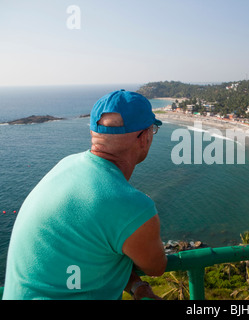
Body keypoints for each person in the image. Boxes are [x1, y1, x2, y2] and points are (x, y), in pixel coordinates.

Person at [3, 90, 167, 300]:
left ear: (93, 133)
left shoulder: (65, 165)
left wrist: (135, 285)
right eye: (152, 131)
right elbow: (156, 267)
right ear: (144, 138)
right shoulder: (132, 205)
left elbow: (84, 251)